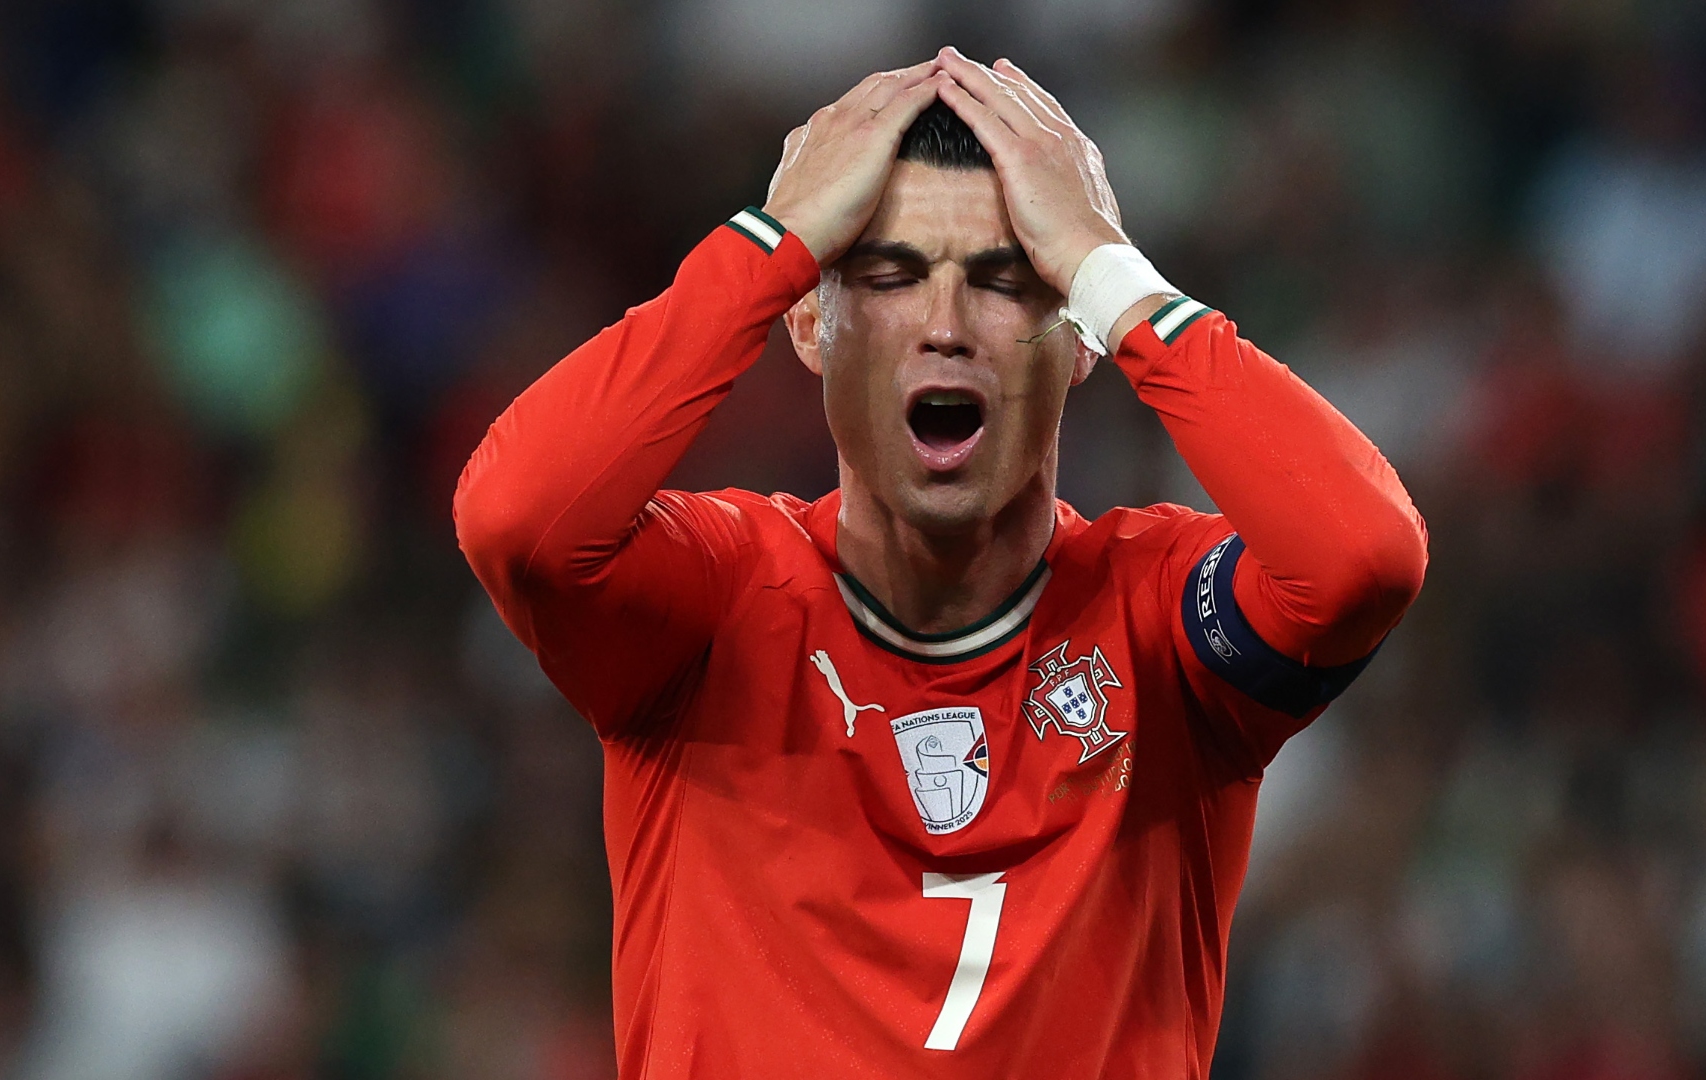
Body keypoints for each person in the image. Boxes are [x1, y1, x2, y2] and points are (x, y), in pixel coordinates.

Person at [455, 47, 1427, 1079]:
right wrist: (770, 247)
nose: (948, 328)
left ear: (1083, 337)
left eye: (1008, 281)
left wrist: (1108, 269)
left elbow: (1361, 555)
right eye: (890, 278)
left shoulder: (1158, 628)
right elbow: (519, 519)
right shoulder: (715, 605)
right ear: (807, 321)